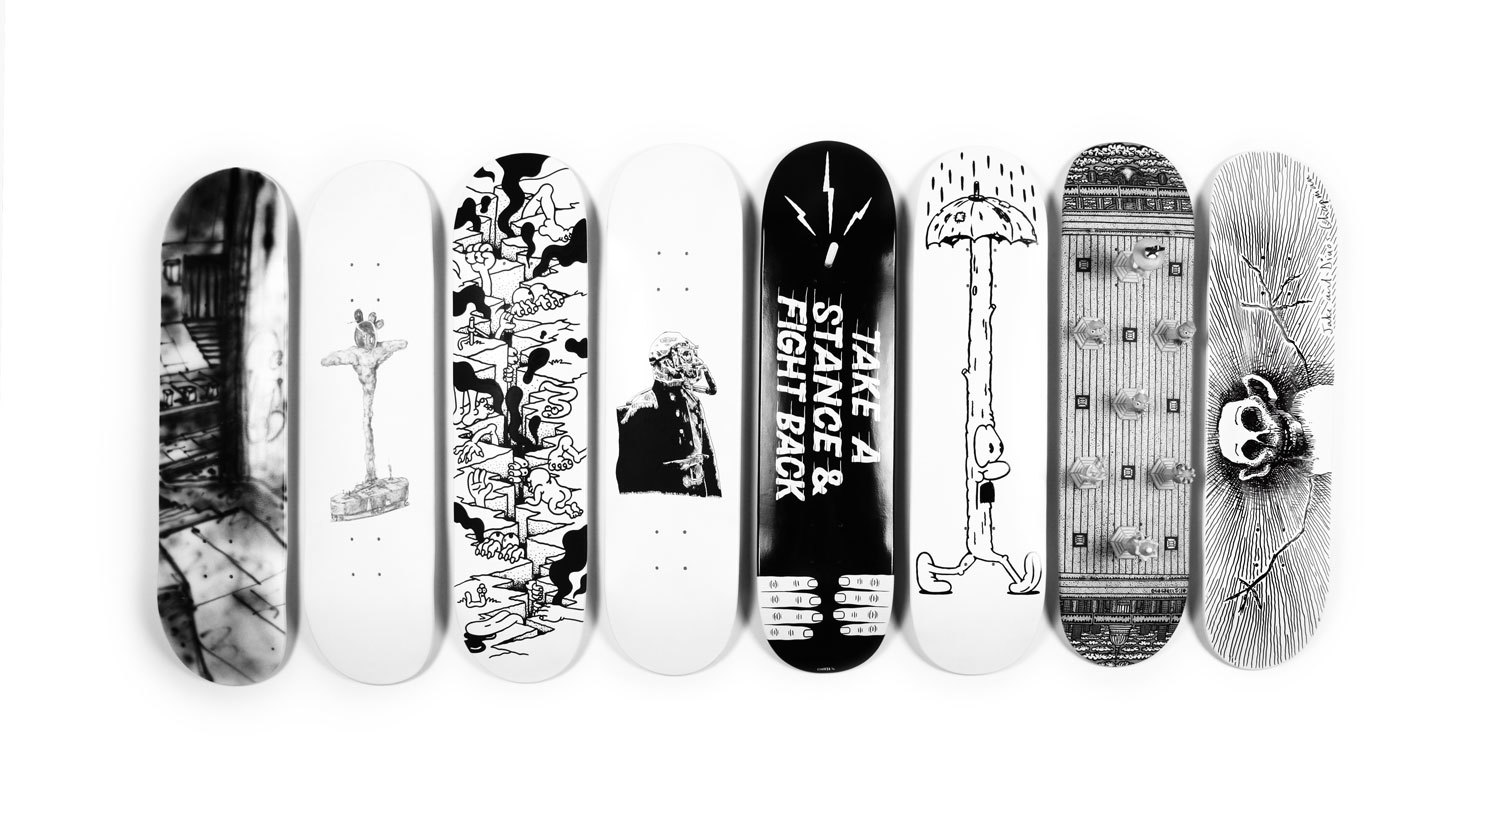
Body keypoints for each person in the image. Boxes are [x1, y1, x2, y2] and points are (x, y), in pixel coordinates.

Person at [615, 332, 720, 497]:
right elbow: (630, 474)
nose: (695, 361)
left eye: (693, 354)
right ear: (665, 362)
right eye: (686, 354)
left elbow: (709, 462)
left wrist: (714, 499)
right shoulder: (644, 405)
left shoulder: (693, 401)